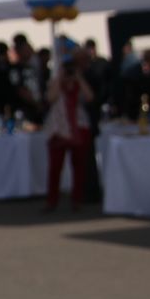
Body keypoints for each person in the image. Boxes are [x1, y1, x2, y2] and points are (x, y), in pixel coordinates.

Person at [42, 63, 97, 212]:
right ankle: (52, 200)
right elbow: (50, 98)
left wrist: (78, 78)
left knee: (79, 166)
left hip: (78, 127)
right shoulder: (57, 83)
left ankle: (77, 200)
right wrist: (59, 79)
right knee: (55, 167)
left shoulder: (79, 85)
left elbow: (90, 97)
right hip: (59, 128)